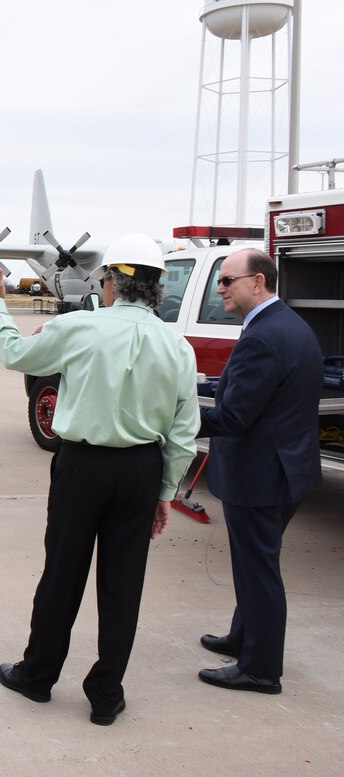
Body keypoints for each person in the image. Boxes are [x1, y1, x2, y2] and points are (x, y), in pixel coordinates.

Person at [0, 233, 199, 726]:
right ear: (157, 287)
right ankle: (106, 694)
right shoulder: (177, 346)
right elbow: (184, 432)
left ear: (113, 283)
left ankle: (37, 677)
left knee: (62, 572)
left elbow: (16, 354)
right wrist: (164, 492)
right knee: (124, 584)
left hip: (82, 467)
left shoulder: (79, 327)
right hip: (142, 470)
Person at [195, 248, 323, 695]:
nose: (221, 288)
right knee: (254, 564)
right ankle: (243, 637)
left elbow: (232, 417)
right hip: (286, 470)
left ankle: (261, 668)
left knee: (259, 571)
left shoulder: (263, 337)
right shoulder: (288, 325)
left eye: (228, 280)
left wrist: (174, 417)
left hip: (261, 477)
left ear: (258, 282)